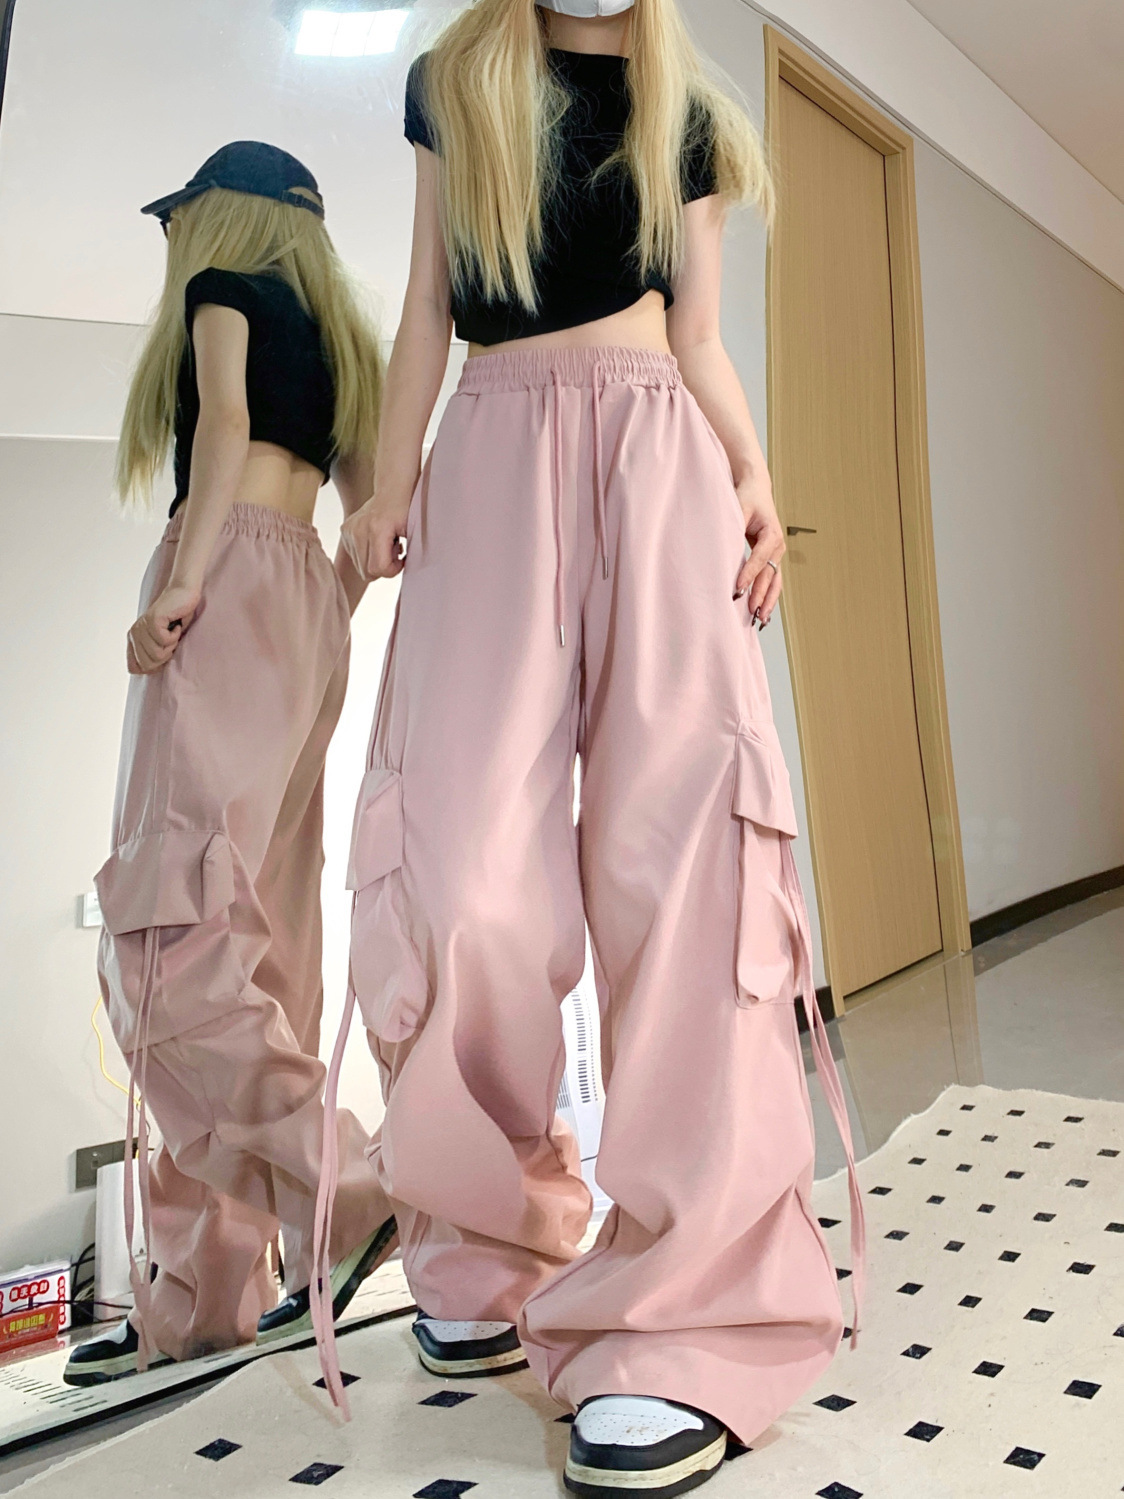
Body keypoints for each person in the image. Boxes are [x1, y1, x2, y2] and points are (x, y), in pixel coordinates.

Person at [323, 2, 866, 1492]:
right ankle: (486, 1231)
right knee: (463, 870)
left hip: (658, 453)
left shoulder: (688, 108)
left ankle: (684, 1315)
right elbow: (424, 311)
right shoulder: (456, 80)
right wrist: (385, 483)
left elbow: (698, 335)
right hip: (490, 454)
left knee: (688, 864)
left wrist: (752, 474)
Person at [65, 142, 396, 1387]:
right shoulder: (346, 345)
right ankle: (212, 1294)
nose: (175, 242)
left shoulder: (223, 293)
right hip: (306, 601)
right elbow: (377, 518)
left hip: (228, 578)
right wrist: (321, 600)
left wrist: (188, 580)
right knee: (265, 944)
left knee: (170, 935)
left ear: (223, 220)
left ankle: (340, 1189)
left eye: (183, 220)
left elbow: (224, 426)